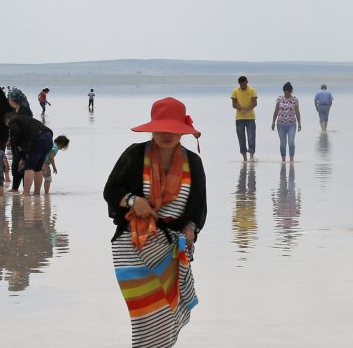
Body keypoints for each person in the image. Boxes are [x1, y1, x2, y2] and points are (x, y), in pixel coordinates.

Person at [105, 97, 208, 348]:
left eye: (173, 129)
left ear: (182, 132)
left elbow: (197, 208)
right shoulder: (134, 154)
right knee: (145, 318)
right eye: (161, 128)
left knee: (166, 318)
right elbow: (111, 190)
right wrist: (133, 200)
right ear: (152, 128)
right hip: (132, 246)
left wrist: (191, 229)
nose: (166, 134)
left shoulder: (193, 163)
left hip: (170, 251)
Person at [6, 105, 54, 197]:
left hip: (40, 139)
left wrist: (17, 143)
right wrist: (23, 158)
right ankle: (36, 193)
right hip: (48, 138)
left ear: (8, 120)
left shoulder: (13, 122)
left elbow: (17, 134)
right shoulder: (26, 120)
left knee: (29, 167)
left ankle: (26, 194)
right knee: (37, 168)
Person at [271, 82, 302, 162]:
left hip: (292, 124)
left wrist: (299, 123)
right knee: (283, 143)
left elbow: (297, 111)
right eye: (285, 91)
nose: (286, 93)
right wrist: (273, 122)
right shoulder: (279, 99)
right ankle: (283, 159)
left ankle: (291, 159)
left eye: (288, 91)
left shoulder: (295, 99)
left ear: (291, 91)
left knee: (291, 142)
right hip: (280, 124)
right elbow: (276, 110)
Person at [231, 76, 258, 161]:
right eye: (241, 85)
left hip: (250, 118)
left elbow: (254, 103)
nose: (242, 86)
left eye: (243, 84)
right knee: (241, 139)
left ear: (246, 82)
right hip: (239, 119)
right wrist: (241, 109)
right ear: (239, 84)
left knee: (251, 137)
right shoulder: (235, 91)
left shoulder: (252, 90)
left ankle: (251, 157)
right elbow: (234, 104)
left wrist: (246, 110)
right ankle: (244, 158)